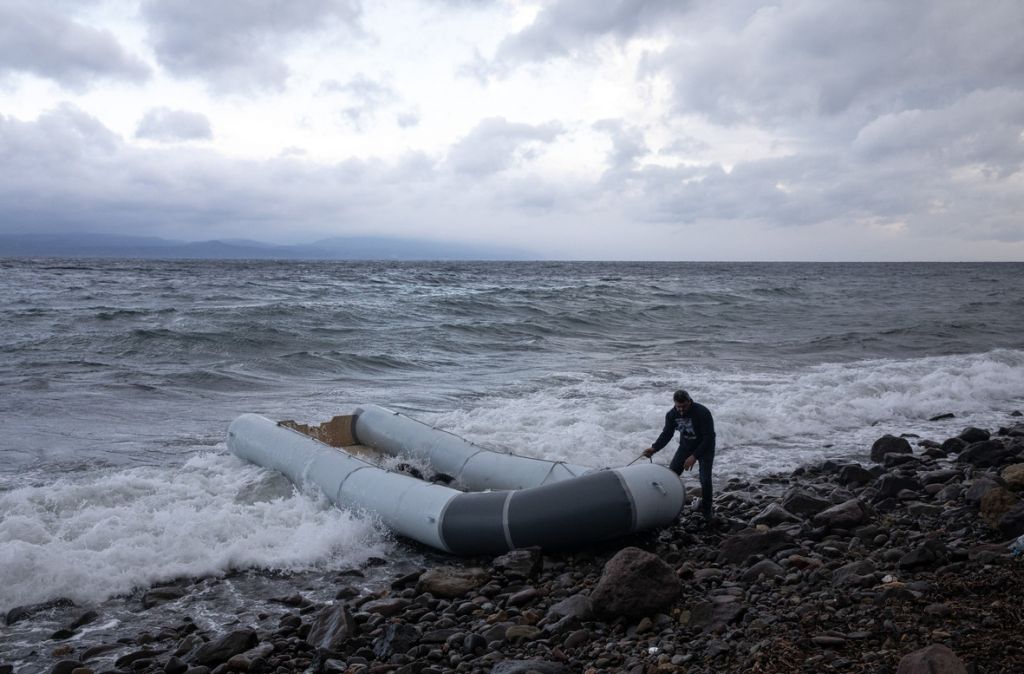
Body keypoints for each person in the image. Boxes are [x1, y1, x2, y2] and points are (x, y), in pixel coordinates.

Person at [642, 389, 716, 524]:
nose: (681, 410)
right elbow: (667, 434)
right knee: (672, 474)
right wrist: (654, 448)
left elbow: (709, 437)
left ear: (690, 401)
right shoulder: (672, 414)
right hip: (686, 446)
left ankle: (707, 510)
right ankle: (670, 507)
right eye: (678, 407)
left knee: (705, 479)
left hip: (706, 448)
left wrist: (694, 456)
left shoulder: (702, 412)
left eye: (684, 406)